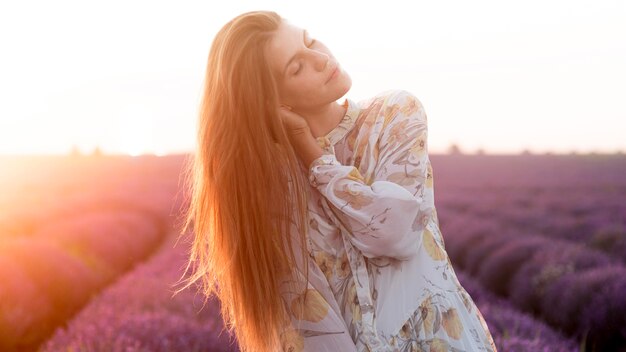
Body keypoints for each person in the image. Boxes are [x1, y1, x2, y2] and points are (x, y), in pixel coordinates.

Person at [175, 10, 498, 352]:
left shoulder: (394, 115)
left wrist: (312, 155)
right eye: (296, 66)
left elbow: (395, 234)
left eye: (310, 40)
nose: (320, 58)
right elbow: (311, 326)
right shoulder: (273, 187)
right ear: (272, 101)